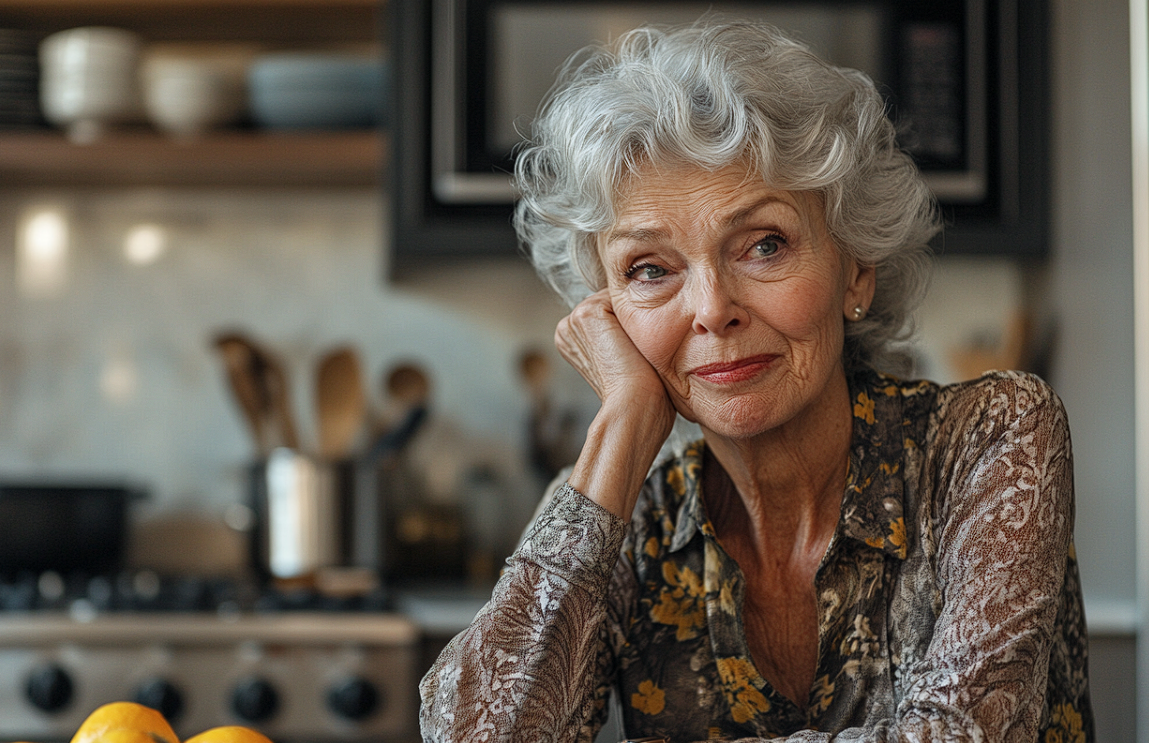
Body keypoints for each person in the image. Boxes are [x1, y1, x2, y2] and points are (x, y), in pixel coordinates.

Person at [419, 19, 1093, 743]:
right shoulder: (630, 518)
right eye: (650, 269)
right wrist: (619, 425)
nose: (712, 309)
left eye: (763, 245)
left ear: (854, 269)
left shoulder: (989, 438)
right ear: (607, 313)